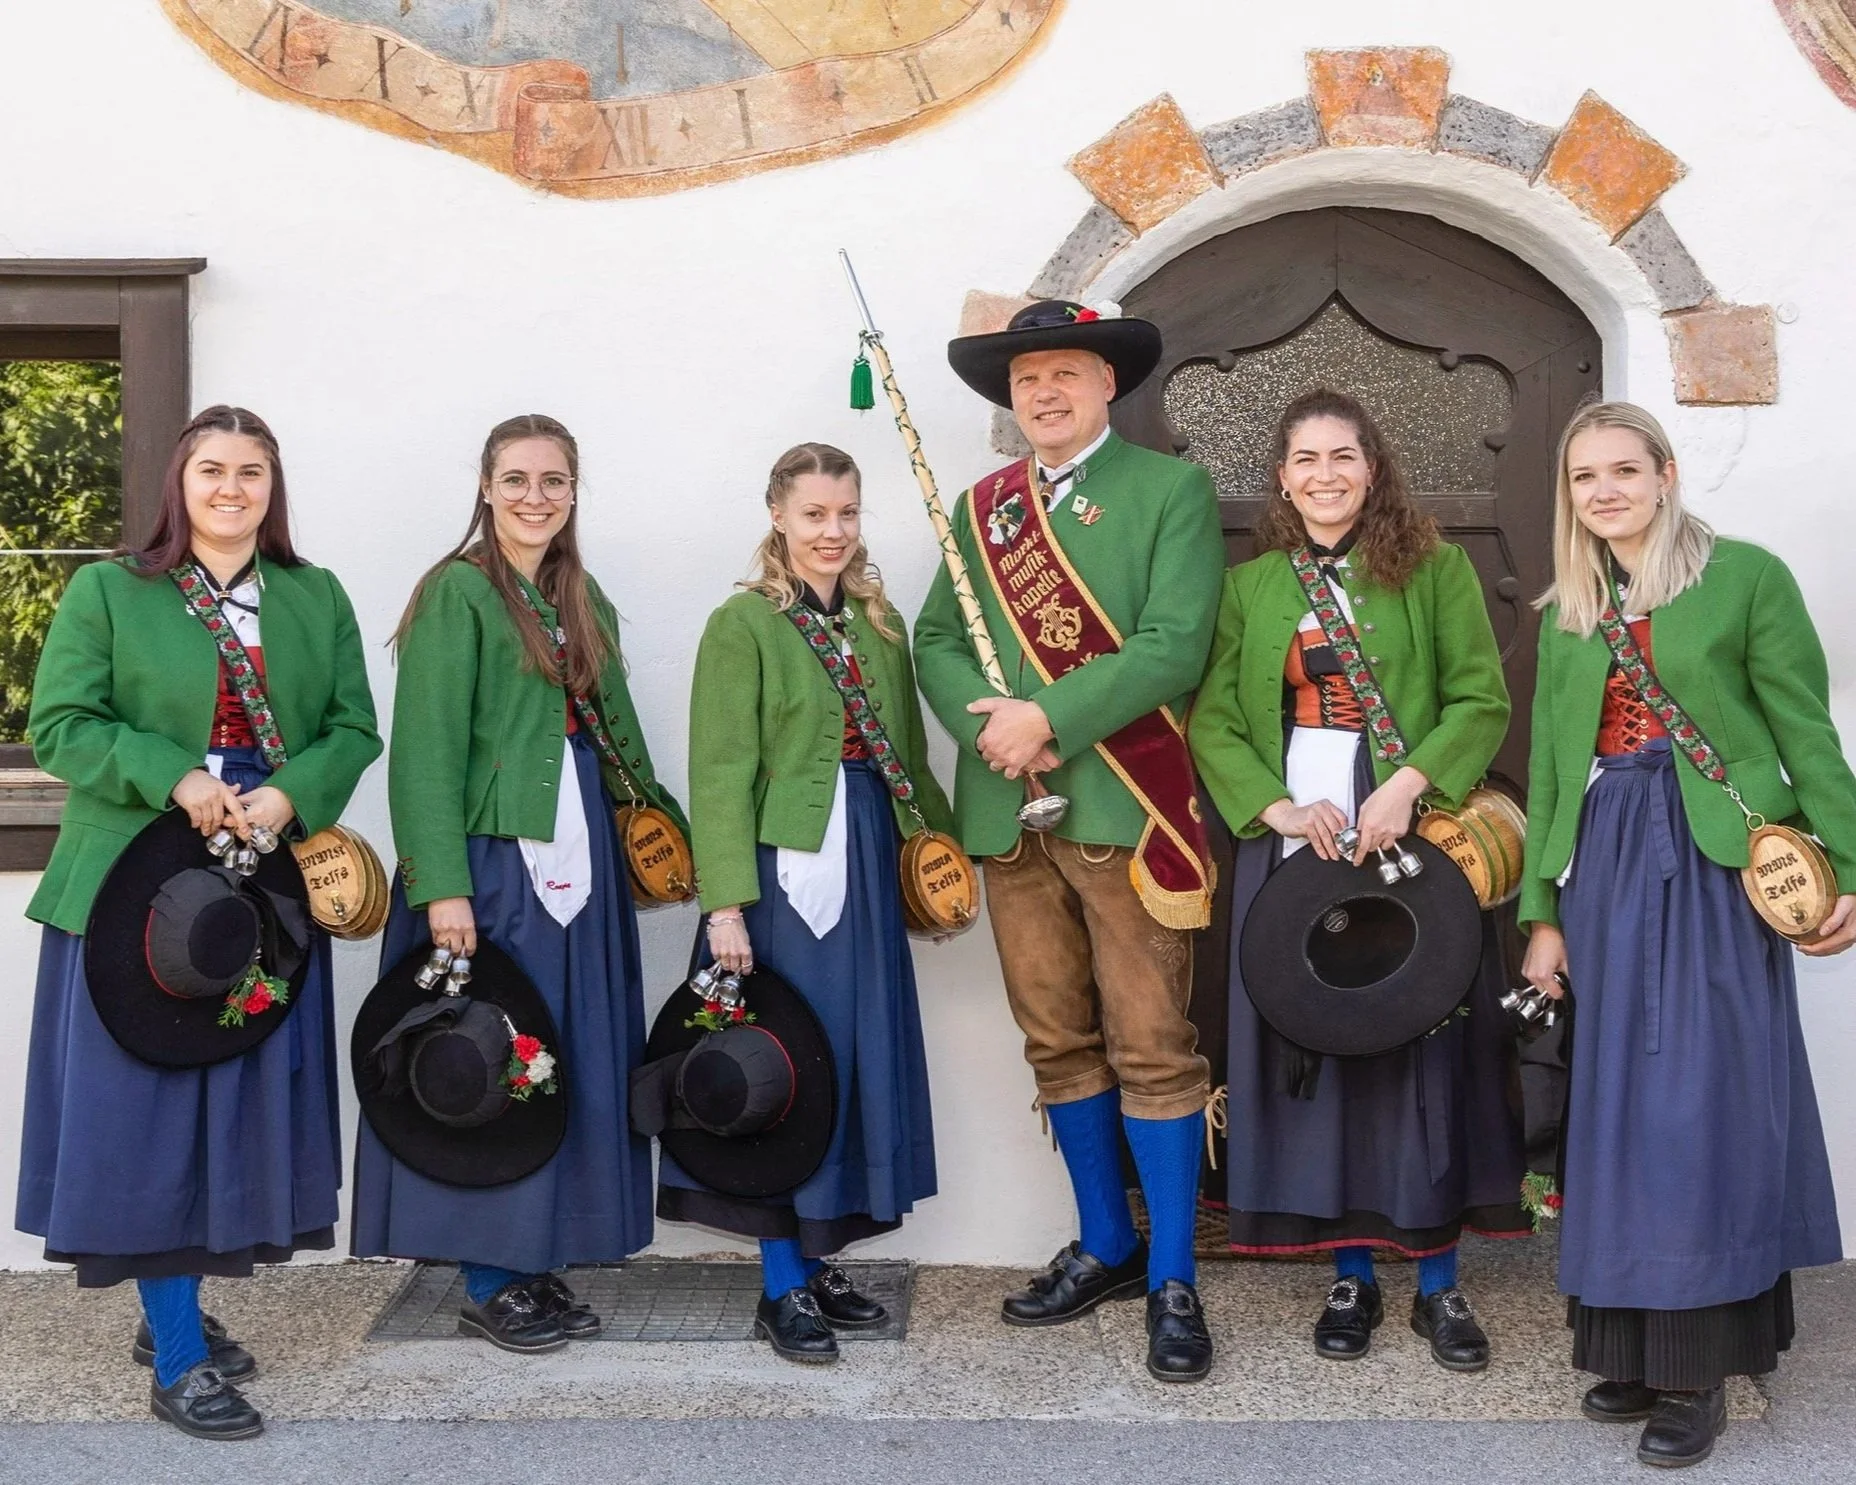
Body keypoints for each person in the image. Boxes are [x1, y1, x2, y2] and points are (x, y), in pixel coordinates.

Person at [16, 406, 380, 1439]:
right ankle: (177, 1356)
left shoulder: (313, 597)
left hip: (258, 884)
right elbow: (62, 724)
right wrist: (171, 774)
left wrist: (290, 791)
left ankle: (168, 1304)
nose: (231, 488)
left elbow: (354, 726)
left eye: (252, 471)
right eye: (212, 470)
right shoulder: (110, 590)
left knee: (231, 1108)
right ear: (179, 483)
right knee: (146, 1122)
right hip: (132, 886)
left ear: (274, 486)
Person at [1518, 400, 1855, 1468]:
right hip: (1605, 864)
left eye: (1623, 469)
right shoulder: (1564, 609)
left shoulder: (1745, 577)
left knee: (1697, 1105)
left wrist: (1843, 868)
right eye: (1582, 478)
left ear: (1664, 474)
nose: (1603, 491)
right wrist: (1539, 913)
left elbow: (1805, 727)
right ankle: (1627, 1338)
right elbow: (1544, 771)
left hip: (1716, 864)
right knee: (1616, 1106)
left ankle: (1696, 1366)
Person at [917, 301, 1224, 1383]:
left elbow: (1173, 644)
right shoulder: (979, 506)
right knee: (1053, 1039)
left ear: (1105, 385)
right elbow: (937, 639)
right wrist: (992, 727)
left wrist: (1047, 717)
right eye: (1025, 380)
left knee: (1151, 1043)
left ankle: (1174, 1276)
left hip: (1119, 810)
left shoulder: (1167, 490)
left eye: (1063, 375)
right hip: (1007, 814)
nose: (1041, 394)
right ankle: (1107, 1243)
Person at [1188, 387, 1525, 1373]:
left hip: (1403, 834)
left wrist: (1409, 785)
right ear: (1281, 478)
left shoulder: (1434, 568)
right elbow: (1213, 718)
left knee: (1421, 1044)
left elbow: (1478, 695)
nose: (1324, 474)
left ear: (1370, 468)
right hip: (1293, 837)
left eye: (1342, 456)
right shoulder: (1250, 589)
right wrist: (1274, 807)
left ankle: (1435, 1281)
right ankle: (1350, 1274)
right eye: (1304, 459)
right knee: (1324, 1038)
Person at [352, 414, 687, 1353]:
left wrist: (662, 835)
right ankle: (487, 1274)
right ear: (486, 488)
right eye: (516, 479)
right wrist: (442, 888)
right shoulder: (456, 593)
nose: (534, 497)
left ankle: (536, 1259)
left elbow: (618, 740)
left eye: (553, 481)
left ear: (575, 492)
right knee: (491, 1050)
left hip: (579, 857)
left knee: (566, 1049)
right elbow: (423, 754)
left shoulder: (587, 599)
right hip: (493, 864)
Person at [667, 442, 949, 1365]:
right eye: (815, 514)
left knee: (851, 1053)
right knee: (782, 1062)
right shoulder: (740, 624)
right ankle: (780, 1281)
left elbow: (904, 755)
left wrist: (937, 856)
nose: (833, 532)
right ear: (778, 517)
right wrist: (725, 908)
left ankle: (823, 1258)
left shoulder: (880, 623)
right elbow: (719, 773)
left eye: (848, 514)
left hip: (864, 854)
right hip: (775, 874)